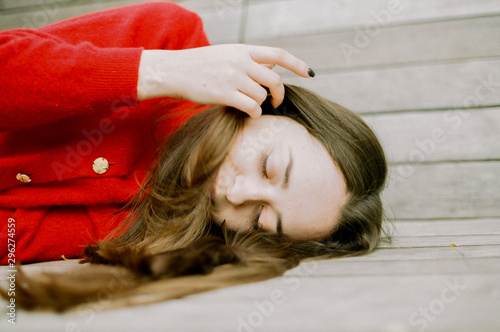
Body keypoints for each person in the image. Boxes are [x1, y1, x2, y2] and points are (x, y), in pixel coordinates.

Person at [0, 2, 387, 310]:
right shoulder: (171, 38)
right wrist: (154, 71)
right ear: (272, 107)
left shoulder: (156, 235)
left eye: (257, 219)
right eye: (268, 167)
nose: (236, 195)